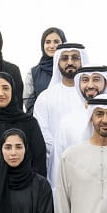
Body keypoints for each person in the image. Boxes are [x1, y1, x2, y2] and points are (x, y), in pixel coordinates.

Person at [32, 42, 87, 183]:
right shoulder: (45, 97)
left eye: (75, 58)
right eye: (64, 58)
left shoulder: (90, 95)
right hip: (56, 163)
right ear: (57, 62)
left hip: (88, 162)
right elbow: (41, 132)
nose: (70, 62)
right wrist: (62, 151)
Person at [55, 67, 107, 155]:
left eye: (96, 79)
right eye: (85, 80)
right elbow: (58, 161)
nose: (90, 85)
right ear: (79, 85)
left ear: (106, 83)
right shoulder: (68, 121)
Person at [26, 27, 65, 112]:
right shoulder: (33, 72)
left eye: (56, 42)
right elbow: (28, 102)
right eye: (47, 42)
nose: (52, 46)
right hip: (41, 121)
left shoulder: (71, 70)